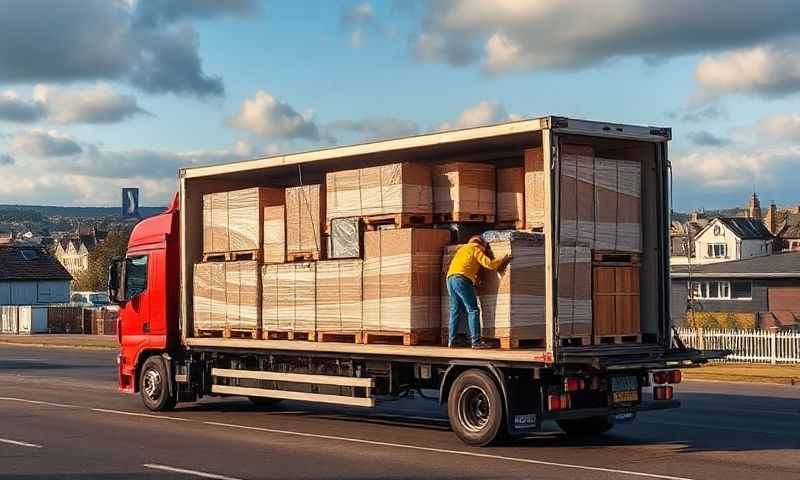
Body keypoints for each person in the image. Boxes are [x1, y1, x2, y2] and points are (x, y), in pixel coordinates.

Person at [446, 235, 511, 349]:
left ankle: (452, 341)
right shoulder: (476, 249)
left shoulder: (462, 249)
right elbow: (489, 264)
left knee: (455, 311)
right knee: (473, 310)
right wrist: (503, 260)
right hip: (462, 279)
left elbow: (466, 265)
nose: (485, 250)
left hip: (450, 279)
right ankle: (476, 341)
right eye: (485, 247)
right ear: (481, 244)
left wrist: (475, 279)